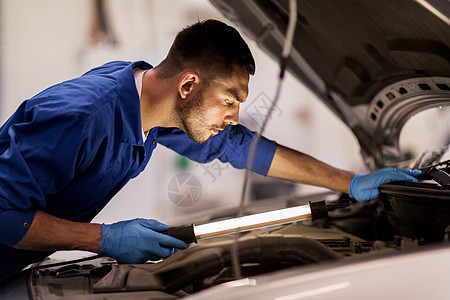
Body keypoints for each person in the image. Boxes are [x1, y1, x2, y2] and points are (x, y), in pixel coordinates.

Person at [0, 19, 420, 277]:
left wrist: (351, 181)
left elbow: (241, 148)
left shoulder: (153, 106)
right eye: (230, 100)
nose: (236, 114)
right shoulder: (82, 116)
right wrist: (102, 238)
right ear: (188, 85)